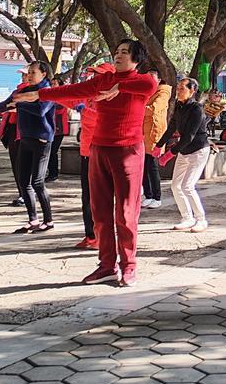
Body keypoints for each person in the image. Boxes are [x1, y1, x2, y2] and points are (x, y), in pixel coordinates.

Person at [20, 41, 158, 286]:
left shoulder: (141, 81)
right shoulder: (103, 81)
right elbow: (73, 90)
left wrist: (119, 86)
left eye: (124, 52)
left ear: (136, 59)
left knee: (126, 212)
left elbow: (150, 85)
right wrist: (41, 94)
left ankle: (129, 266)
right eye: (116, 52)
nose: (118, 55)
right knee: (100, 212)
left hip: (128, 151)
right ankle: (106, 266)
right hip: (99, 149)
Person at [0, 61, 58, 234]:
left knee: (38, 182)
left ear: (44, 74)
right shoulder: (23, 91)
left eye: (33, 72)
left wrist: (19, 105)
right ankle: (33, 220)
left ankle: (48, 220)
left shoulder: (48, 92)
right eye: (28, 72)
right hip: (25, 138)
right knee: (24, 182)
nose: (29, 76)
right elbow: (5, 104)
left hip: (42, 140)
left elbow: (40, 110)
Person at [158, 77, 210, 231]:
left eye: (182, 88)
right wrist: (159, 145)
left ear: (192, 91)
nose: (178, 91)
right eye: (178, 88)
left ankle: (201, 219)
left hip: (198, 150)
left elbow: (189, 136)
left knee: (187, 186)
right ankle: (187, 217)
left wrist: (170, 154)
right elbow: (171, 127)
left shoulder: (197, 109)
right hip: (184, 150)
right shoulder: (179, 106)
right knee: (176, 185)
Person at [71, 62, 115, 248]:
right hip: (86, 150)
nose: (95, 78)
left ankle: (101, 236)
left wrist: (83, 110)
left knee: (99, 197)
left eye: (99, 75)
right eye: (94, 74)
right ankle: (90, 235)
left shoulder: (111, 97)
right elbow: (72, 100)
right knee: (87, 196)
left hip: (100, 150)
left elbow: (100, 118)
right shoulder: (90, 94)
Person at [141, 69, 172, 209]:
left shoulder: (163, 93)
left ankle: (157, 197)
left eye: (152, 77)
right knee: (144, 167)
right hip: (144, 134)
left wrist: (139, 109)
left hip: (155, 136)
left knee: (152, 167)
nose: (149, 79)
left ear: (159, 80)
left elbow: (153, 109)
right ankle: (148, 195)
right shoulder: (147, 92)